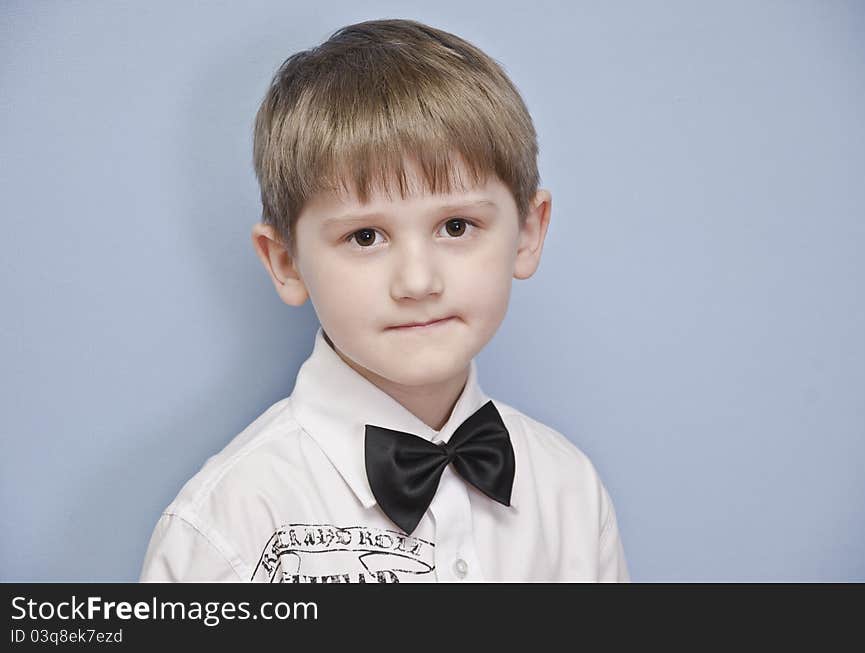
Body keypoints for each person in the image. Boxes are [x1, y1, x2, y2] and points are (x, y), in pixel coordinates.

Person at [140, 18, 629, 583]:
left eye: (456, 225)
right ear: (285, 262)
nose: (418, 282)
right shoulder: (229, 527)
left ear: (527, 233)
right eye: (365, 237)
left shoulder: (570, 488)